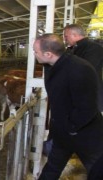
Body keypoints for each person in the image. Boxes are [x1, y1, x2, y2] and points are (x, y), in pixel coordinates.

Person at [33, 34, 103, 179]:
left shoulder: (80, 69)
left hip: (85, 134)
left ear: (48, 54)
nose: (34, 54)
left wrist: (71, 128)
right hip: (63, 132)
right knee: (52, 168)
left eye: (36, 51)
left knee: (97, 169)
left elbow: (87, 107)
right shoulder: (52, 66)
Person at [63, 24, 103, 113]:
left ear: (75, 35)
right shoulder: (72, 49)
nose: (65, 39)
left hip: (90, 97)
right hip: (78, 97)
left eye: (66, 36)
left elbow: (86, 69)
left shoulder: (94, 48)